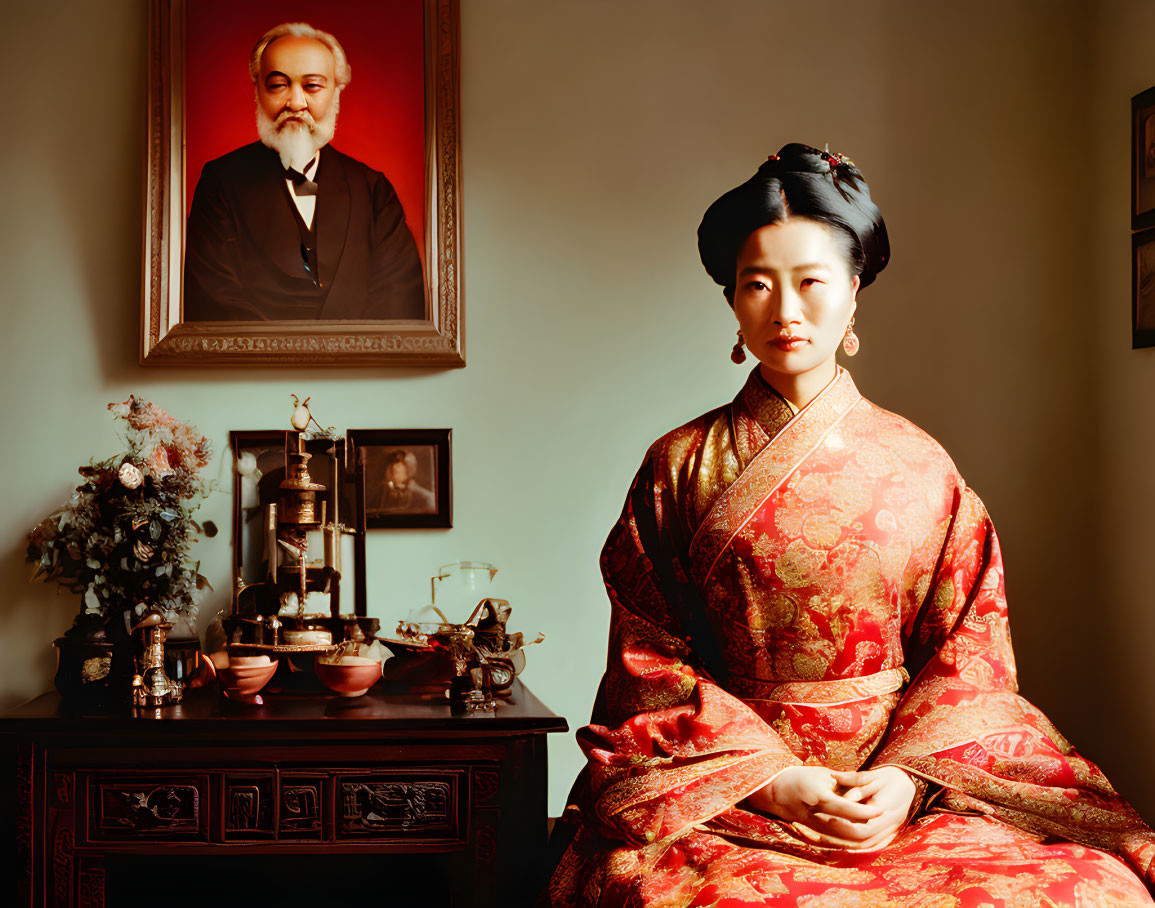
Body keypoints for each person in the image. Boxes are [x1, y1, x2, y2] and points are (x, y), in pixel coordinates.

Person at [541, 144, 1155, 905]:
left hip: (911, 788)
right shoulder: (678, 465)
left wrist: (903, 779)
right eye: (756, 285)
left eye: (810, 282)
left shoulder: (919, 463)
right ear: (731, 300)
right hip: (732, 791)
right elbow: (647, 662)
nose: (784, 310)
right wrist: (775, 781)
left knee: (1091, 888)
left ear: (853, 293)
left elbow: (969, 654)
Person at [183, 22, 425, 322]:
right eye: (278, 85)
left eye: (311, 86)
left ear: (336, 93)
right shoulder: (220, 181)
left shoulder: (374, 190)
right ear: (258, 91)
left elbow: (399, 300)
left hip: (358, 366)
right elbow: (213, 299)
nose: (295, 103)